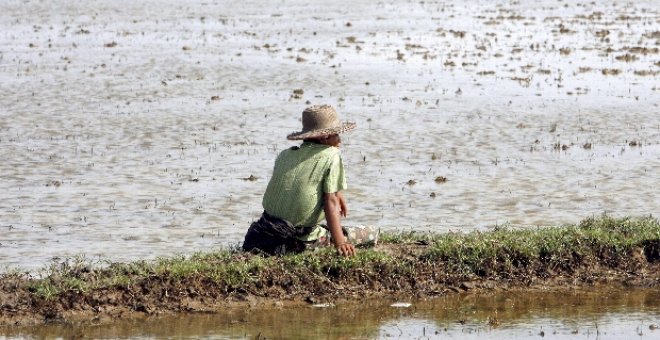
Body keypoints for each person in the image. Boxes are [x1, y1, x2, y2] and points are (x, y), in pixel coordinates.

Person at [242, 105, 377, 257]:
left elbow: (298, 185)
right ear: (324, 137)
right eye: (337, 135)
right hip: (297, 238)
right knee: (371, 233)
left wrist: (337, 193)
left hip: (264, 232)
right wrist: (340, 243)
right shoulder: (332, 155)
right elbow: (330, 203)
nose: (339, 141)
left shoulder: (285, 155)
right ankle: (313, 242)